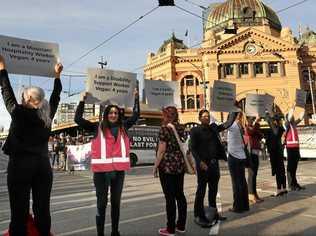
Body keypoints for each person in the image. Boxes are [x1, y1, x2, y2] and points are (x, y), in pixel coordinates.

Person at [0, 55, 63, 235]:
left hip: (20, 166)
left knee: (19, 211)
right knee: (42, 208)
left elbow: (6, 91)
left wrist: (2, 67)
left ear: (27, 98)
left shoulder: (18, 112)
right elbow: (56, 96)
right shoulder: (47, 116)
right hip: (43, 167)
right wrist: (57, 76)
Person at [74, 91, 139, 236]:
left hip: (118, 172)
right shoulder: (97, 127)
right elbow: (78, 119)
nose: (113, 115)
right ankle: (100, 233)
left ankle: (115, 232)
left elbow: (136, 116)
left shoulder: (124, 127)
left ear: (119, 115)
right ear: (106, 114)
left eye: (116, 113)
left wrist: (136, 98)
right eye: (111, 113)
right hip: (101, 173)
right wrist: (82, 101)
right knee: (101, 205)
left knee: (116, 204)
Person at [190, 110, 237, 227]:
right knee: (201, 191)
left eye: (208, 116)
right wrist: (199, 162)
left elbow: (228, 123)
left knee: (213, 191)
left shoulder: (213, 128)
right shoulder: (195, 130)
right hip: (203, 166)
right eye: (204, 116)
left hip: (214, 165)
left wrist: (234, 110)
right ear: (199, 118)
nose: (207, 118)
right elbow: (192, 148)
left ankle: (214, 213)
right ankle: (198, 215)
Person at [153, 106, 187, 236]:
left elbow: (161, 150)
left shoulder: (164, 128)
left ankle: (170, 229)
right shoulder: (181, 127)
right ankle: (181, 225)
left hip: (167, 165)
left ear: (166, 116)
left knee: (170, 198)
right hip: (179, 164)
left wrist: (155, 166)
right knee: (180, 195)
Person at [227, 111, 250, 213]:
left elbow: (220, 125)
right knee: (242, 182)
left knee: (236, 183)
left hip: (234, 156)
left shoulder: (232, 125)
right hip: (241, 156)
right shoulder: (240, 126)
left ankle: (237, 206)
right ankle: (245, 205)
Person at [265, 112, 287, 196]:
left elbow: (270, 122)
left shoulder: (276, 129)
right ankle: (284, 188)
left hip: (275, 152)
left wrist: (267, 114)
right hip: (279, 151)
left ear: (274, 121)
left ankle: (279, 189)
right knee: (281, 170)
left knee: (278, 171)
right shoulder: (281, 128)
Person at [284, 107, 305, 191]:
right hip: (290, 148)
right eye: (292, 117)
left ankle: (295, 183)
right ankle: (291, 185)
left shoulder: (294, 124)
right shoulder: (286, 124)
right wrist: (292, 109)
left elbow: (300, 117)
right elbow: (289, 117)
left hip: (296, 147)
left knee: (295, 167)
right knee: (290, 167)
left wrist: (303, 110)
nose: (293, 118)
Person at [244, 115, 264, 203]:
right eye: (251, 120)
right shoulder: (247, 127)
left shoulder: (253, 127)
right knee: (251, 174)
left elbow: (260, 135)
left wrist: (257, 126)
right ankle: (250, 194)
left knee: (254, 174)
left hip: (255, 152)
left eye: (253, 120)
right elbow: (250, 133)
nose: (252, 121)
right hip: (250, 153)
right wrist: (256, 123)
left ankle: (254, 193)